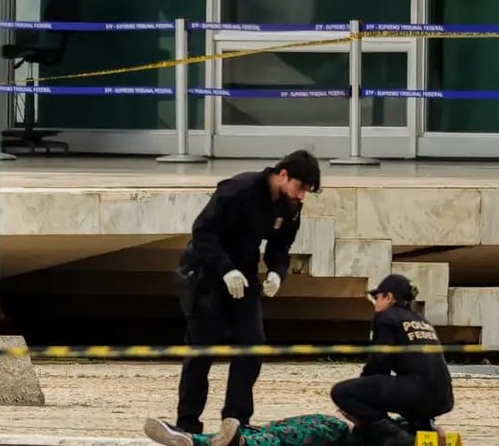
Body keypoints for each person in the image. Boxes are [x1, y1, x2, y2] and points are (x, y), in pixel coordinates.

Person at [168, 150, 322, 435]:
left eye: (307, 192)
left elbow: (280, 245)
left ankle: (237, 419)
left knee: (252, 344)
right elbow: (203, 231)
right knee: (202, 350)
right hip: (206, 272)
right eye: (301, 187)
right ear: (283, 174)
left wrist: (277, 271)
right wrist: (225, 269)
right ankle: (187, 423)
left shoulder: (290, 206)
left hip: (245, 274)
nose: (302, 196)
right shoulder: (239, 189)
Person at [331, 274, 455, 446]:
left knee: (342, 392)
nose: (375, 304)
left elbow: (379, 363)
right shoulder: (421, 320)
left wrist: (361, 397)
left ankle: (394, 436)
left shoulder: (386, 317)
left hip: (417, 392)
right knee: (401, 388)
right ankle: (424, 429)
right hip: (443, 398)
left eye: (377, 298)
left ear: (389, 297)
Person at [144, 415, 352, 446]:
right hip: (350, 429)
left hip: (348, 437)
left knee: (284, 436)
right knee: (276, 429)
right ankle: (191, 439)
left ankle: (241, 442)